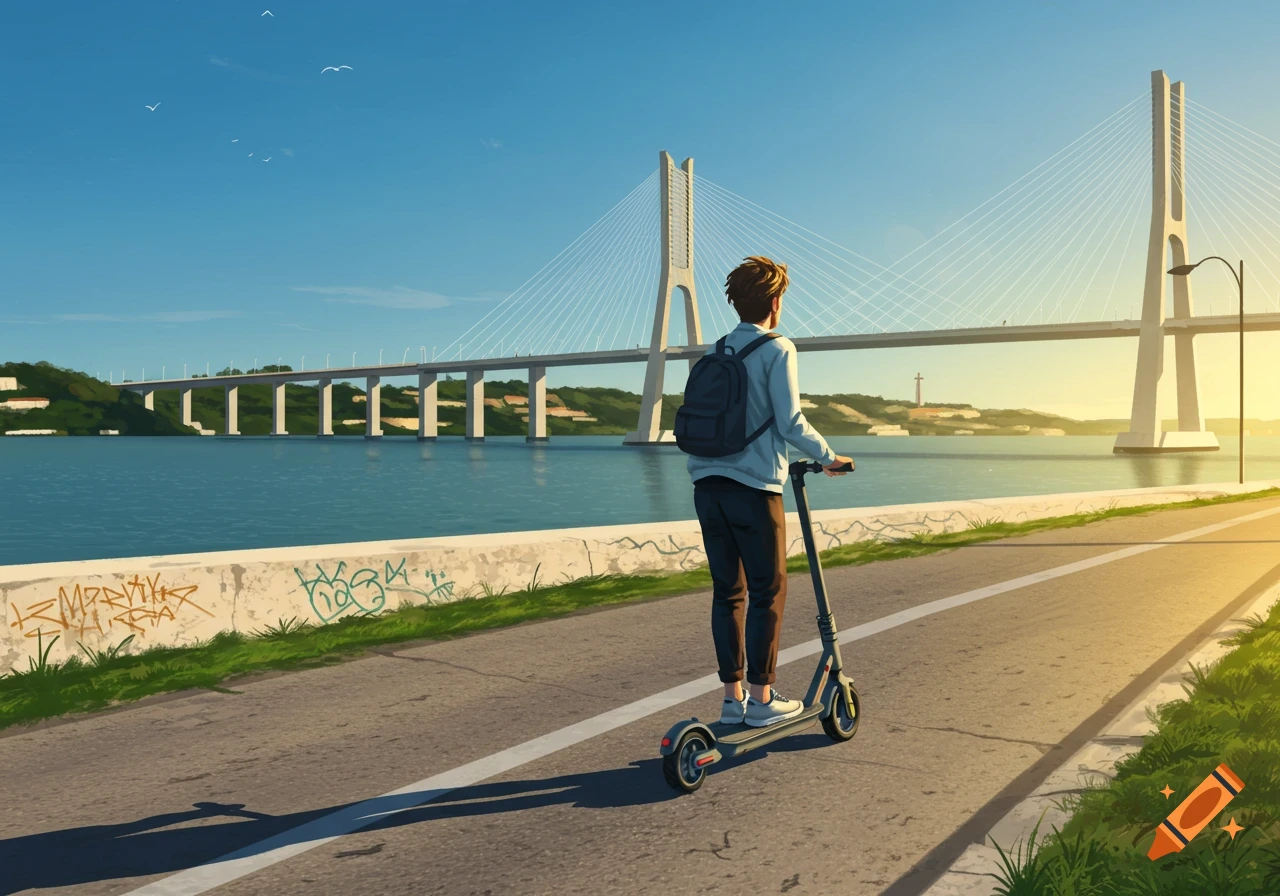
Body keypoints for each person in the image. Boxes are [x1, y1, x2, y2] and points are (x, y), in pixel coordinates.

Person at [688, 256, 852, 728]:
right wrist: (829, 458)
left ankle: (732, 698)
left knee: (728, 593)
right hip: (754, 489)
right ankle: (761, 698)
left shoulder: (715, 351)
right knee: (767, 591)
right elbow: (790, 421)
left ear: (735, 302)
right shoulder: (778, 348)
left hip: (706, 485)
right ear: (776, 302)